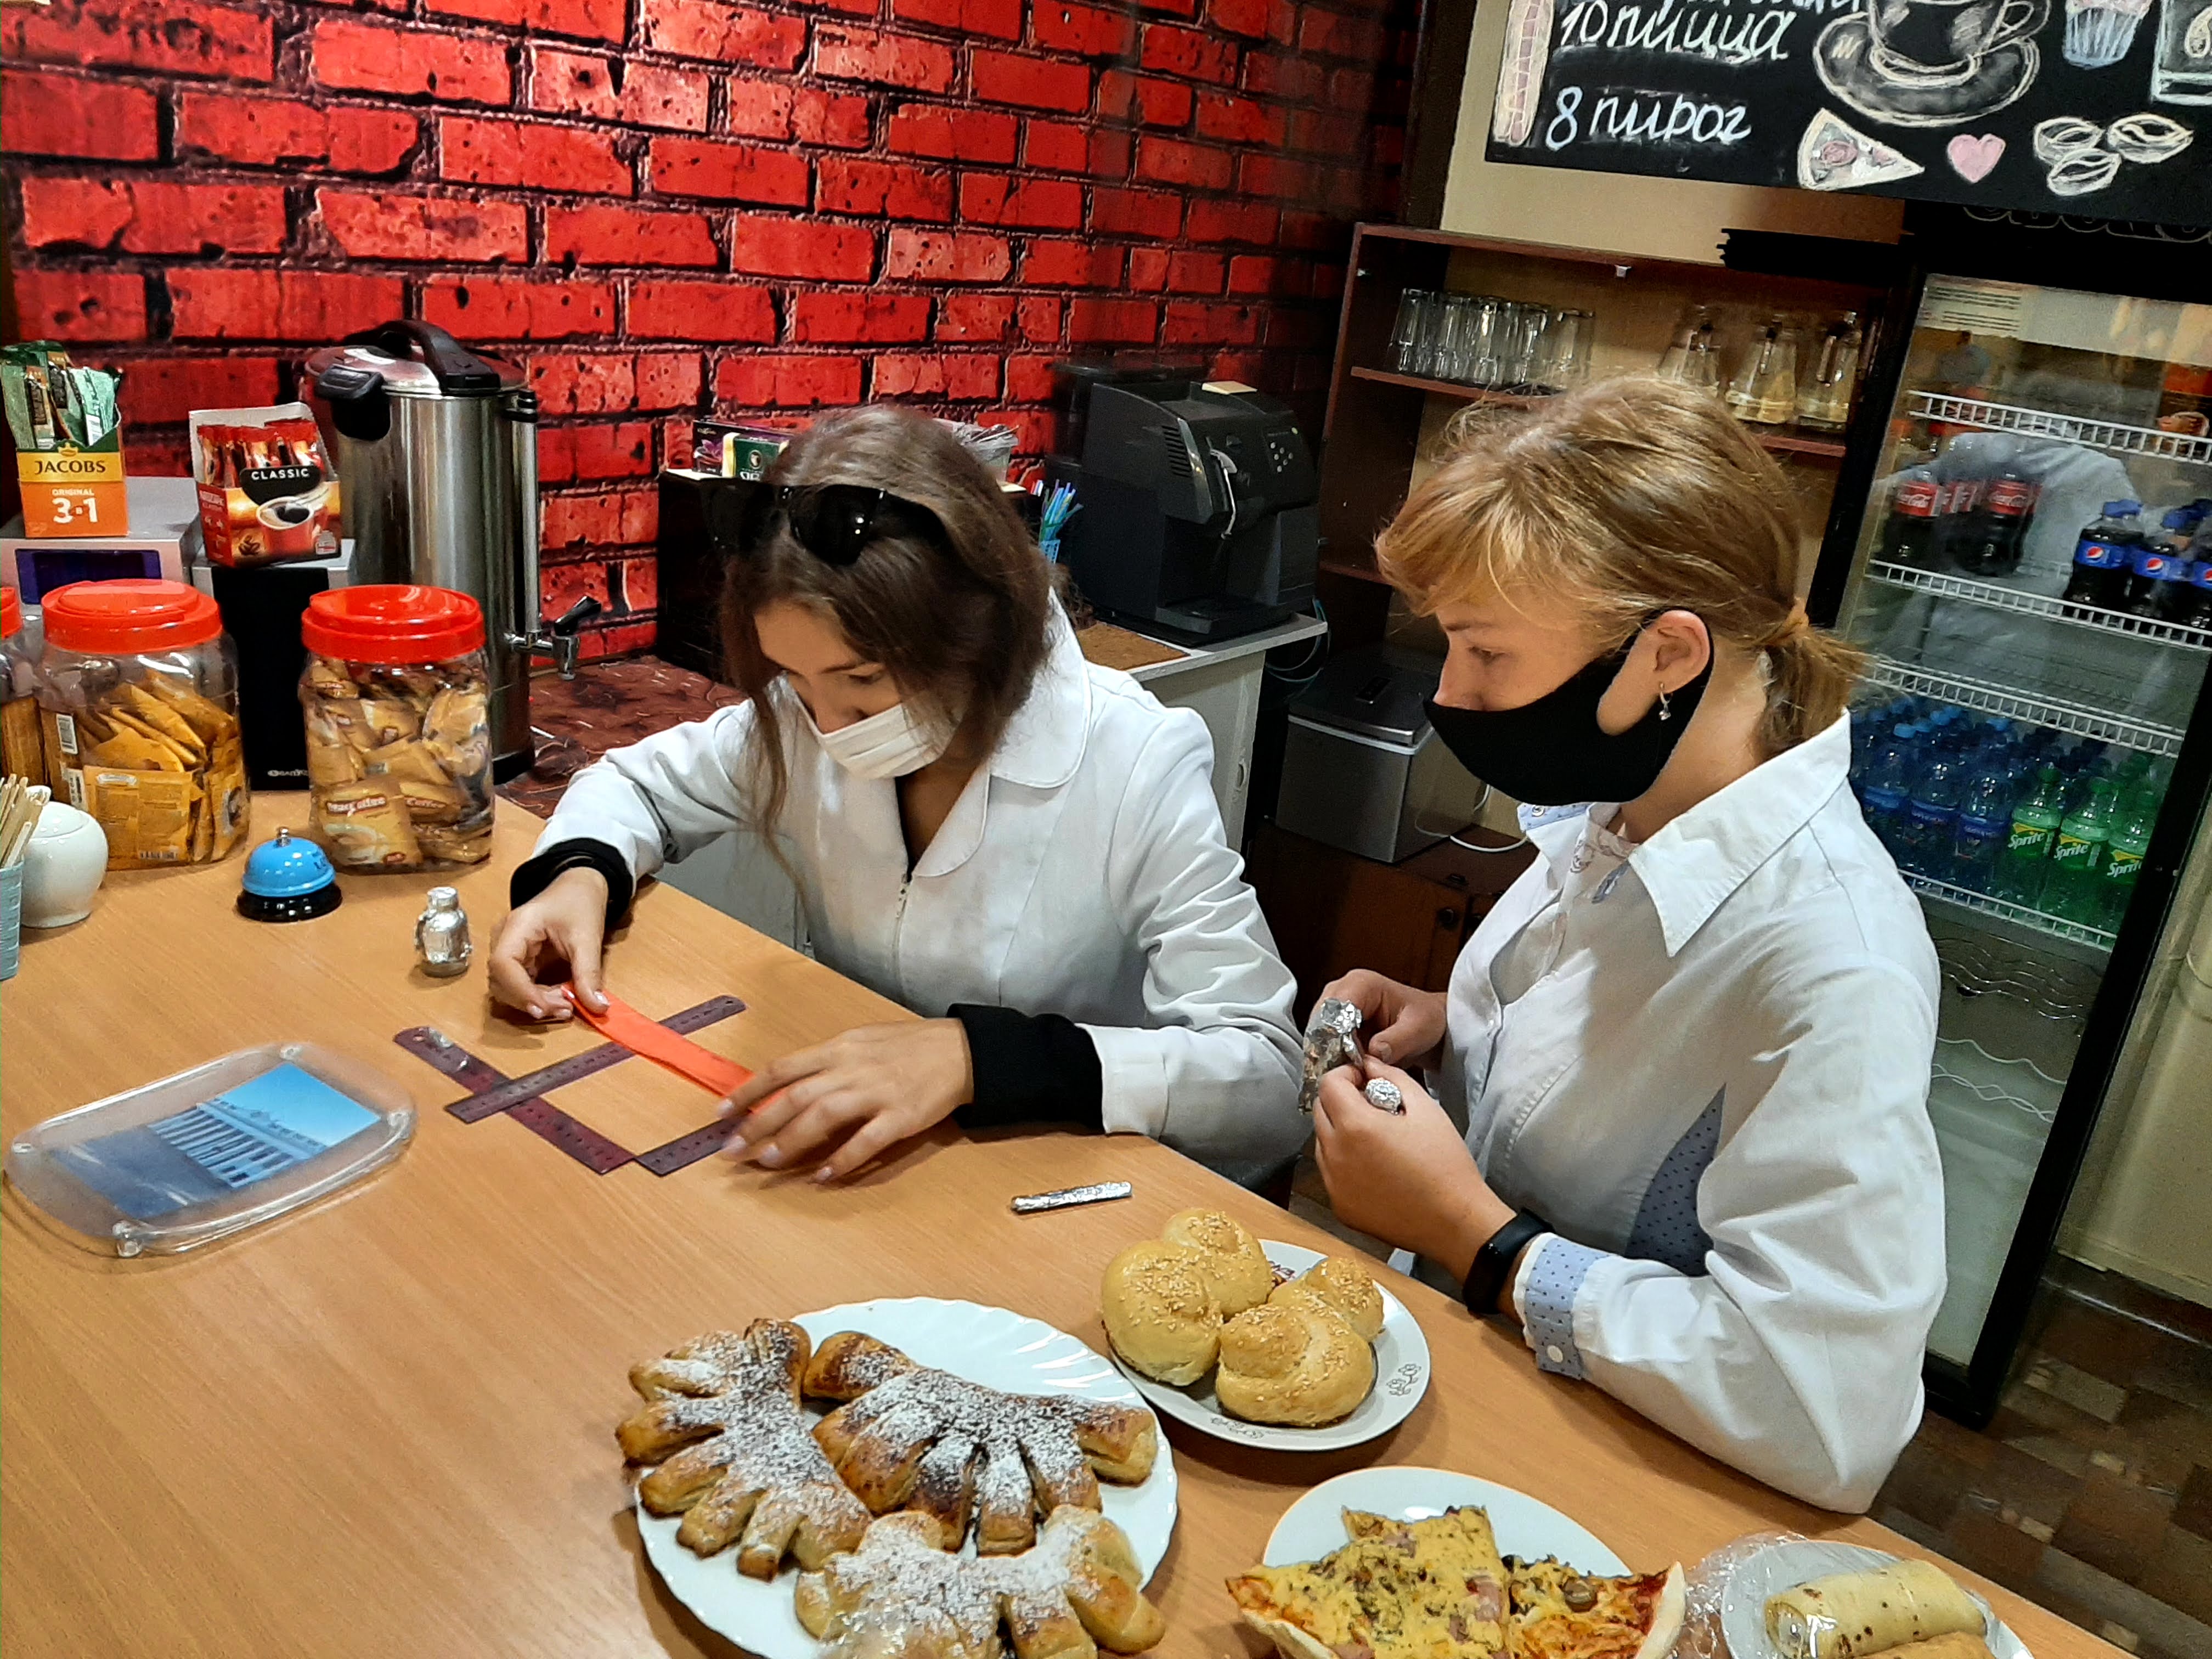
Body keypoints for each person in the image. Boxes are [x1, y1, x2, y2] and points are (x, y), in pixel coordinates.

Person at [1311, 377, 1944, 1511]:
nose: (1451, 693)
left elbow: (1827, 1416)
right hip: (1475, 1398)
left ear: (1669, 654)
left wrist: (1477, 1238)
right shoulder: (1628, 807)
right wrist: (1457, 1025)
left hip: (1610, 1489)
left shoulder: (1835, 963)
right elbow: (1625, 1053)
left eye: (1486, 654)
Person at [488, 405, 1305, 1182]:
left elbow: (1269, 1078)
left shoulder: (1134, 759)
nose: (827, 727)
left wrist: (979, 1059)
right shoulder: (803, 717)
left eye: (863, 683)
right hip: (876, 1155)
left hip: (1051, 1172)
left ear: (973, 632)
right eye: (796, 680)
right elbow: (638, 785)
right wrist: (579, 877)